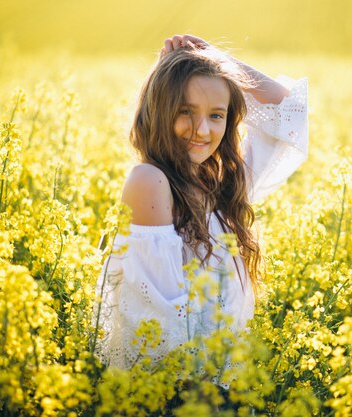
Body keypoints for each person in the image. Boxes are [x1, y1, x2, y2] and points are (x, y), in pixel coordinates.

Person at [94, 34, 308, 369]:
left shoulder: (219, 186)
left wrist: (214, 57)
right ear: (159, 110)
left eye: (216, 115)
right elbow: (160, 330)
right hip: (183, 394)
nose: (202, 130)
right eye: (185, 111)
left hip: (222, 388)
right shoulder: (150, 182)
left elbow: (288, 111)